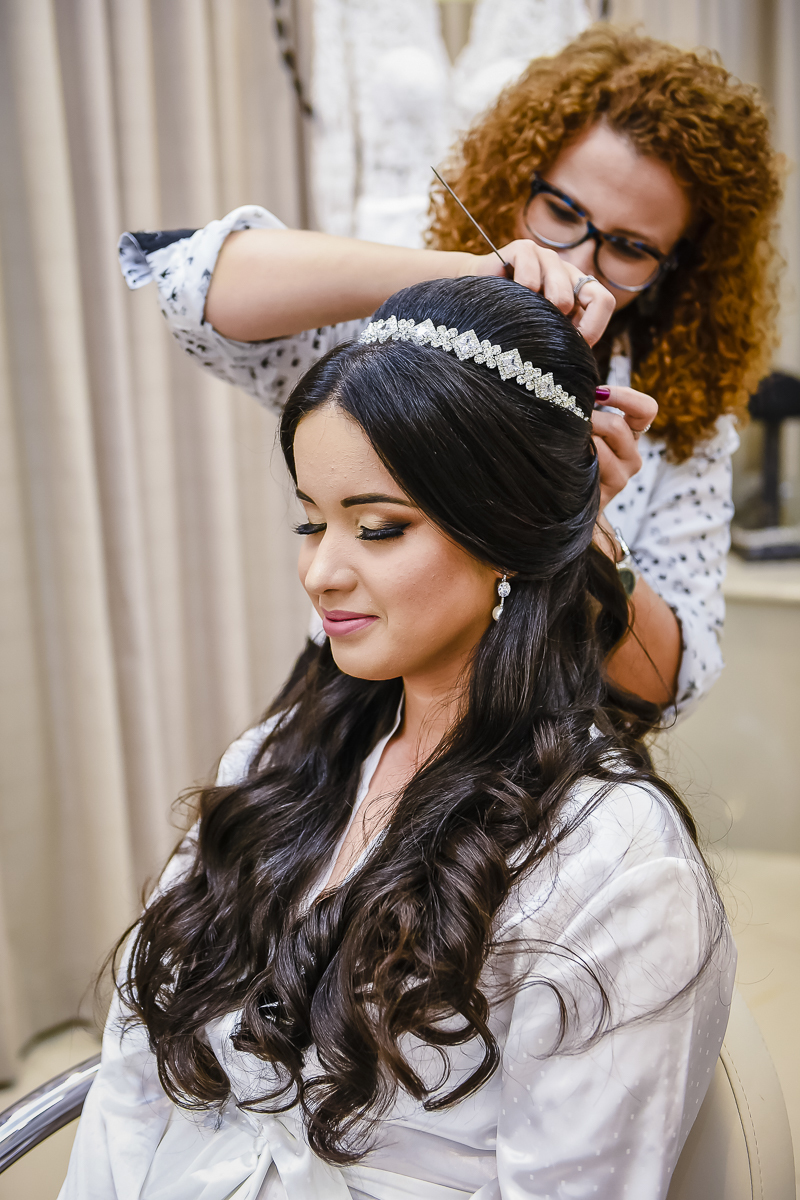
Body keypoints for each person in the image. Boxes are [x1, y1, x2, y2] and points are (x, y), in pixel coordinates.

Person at [61, 277, 734, 1200]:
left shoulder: (610, 865)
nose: (319, 570)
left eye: (378, 529)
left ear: (506, 532)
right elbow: (134, 1083)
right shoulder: (275, 764)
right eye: (311, 520)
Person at [119, 25, 782, 718]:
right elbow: (193, 285)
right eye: (561, 211)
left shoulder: (681, 430)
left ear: (679, 272)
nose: (581, 265)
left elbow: (662, 691)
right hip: (351, 733)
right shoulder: (406, 336)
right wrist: (466, 272)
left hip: (542, 775)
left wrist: (587, 530)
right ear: (511, 182)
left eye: (630, 247)